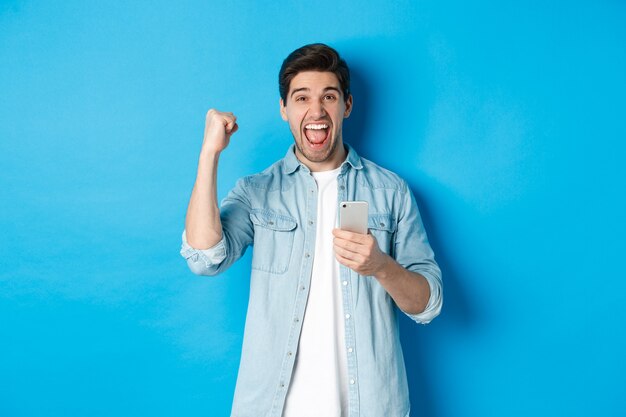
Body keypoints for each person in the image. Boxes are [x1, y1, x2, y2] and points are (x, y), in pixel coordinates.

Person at [180, 43, 442, 417]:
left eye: (329, 97)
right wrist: (209, 154)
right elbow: (205, 259)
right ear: (284, 108)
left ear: (346, 105)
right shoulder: (257, 192)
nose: (316, 111)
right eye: (302, 97)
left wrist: (381, 266)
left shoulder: (391, 192)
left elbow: (428, 304)